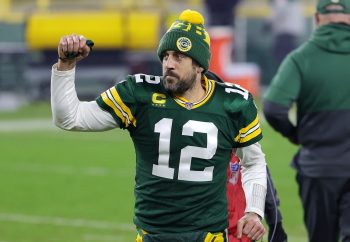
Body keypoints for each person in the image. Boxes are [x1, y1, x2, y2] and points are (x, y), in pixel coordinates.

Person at [51, 9, 267, 242]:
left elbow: (253, 162)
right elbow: (69, 118)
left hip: (208, 235)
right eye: (165, 56)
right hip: (153, 235)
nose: (169, 64)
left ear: (199, 65)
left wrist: (254, 211)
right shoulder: (140, 94)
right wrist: (66, 64)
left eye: (178, 56)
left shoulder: (232, 103)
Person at [263, 0, 350, 241]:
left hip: (318, 168)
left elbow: (273, 107)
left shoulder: (301, 58)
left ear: (317, 18)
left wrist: (297, 134)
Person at [205, 71, 288, 242]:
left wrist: (276, 224)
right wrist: (276, 224)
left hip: (238, 233)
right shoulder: (242, 150)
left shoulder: (242, 150)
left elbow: (267, 189)